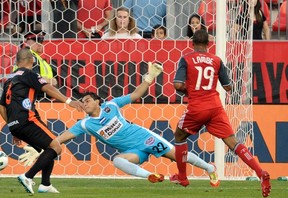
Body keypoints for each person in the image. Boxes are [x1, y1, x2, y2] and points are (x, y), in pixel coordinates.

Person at [19, 62, 220, 187]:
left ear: (99, 101)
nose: (84, 103)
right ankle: (152, 175)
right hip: (133, 151)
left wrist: (149, 78)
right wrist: (44, 148)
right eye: (83, 101)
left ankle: (209, 168)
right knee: (117, 161)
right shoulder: (86, 124)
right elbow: (62, 138)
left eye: (88, 100)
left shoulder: (112, 105)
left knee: (177, 156)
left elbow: (135, 94)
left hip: (145, 138)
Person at [171, 29, 271, 198]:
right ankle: (260, 172)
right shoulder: (216, 60)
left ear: (193, 43)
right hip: (215, 107)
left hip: (197, 107)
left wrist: (191, 90)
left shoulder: (186, 59)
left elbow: (177, 85)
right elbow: (228, 87)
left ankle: (182, 176)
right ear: (209, 45)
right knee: (233, 142)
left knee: (179, 136)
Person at [0, 48, 84, 194]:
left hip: (15, 123)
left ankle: (45, 184)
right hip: (28, 119)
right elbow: (47, 88)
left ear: (16, 61)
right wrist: (69, 101)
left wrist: (12, 126)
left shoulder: (9, 79)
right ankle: (27, 176)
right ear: (32, 60)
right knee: (56, 147)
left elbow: (1, 106)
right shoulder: (29, 74)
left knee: (48, 148)